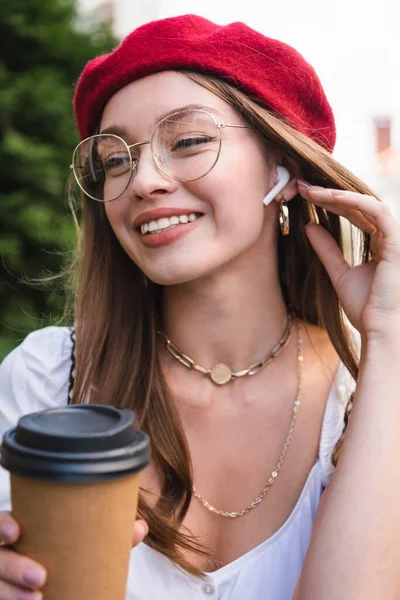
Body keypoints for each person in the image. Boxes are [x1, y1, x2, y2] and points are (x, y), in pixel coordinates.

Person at [0, 13, 399, 600]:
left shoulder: (365, 397)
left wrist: (389, 340)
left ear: (283, 167)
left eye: (187, 141)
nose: (143, 180)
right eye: (115, 161)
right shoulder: (50, 382)